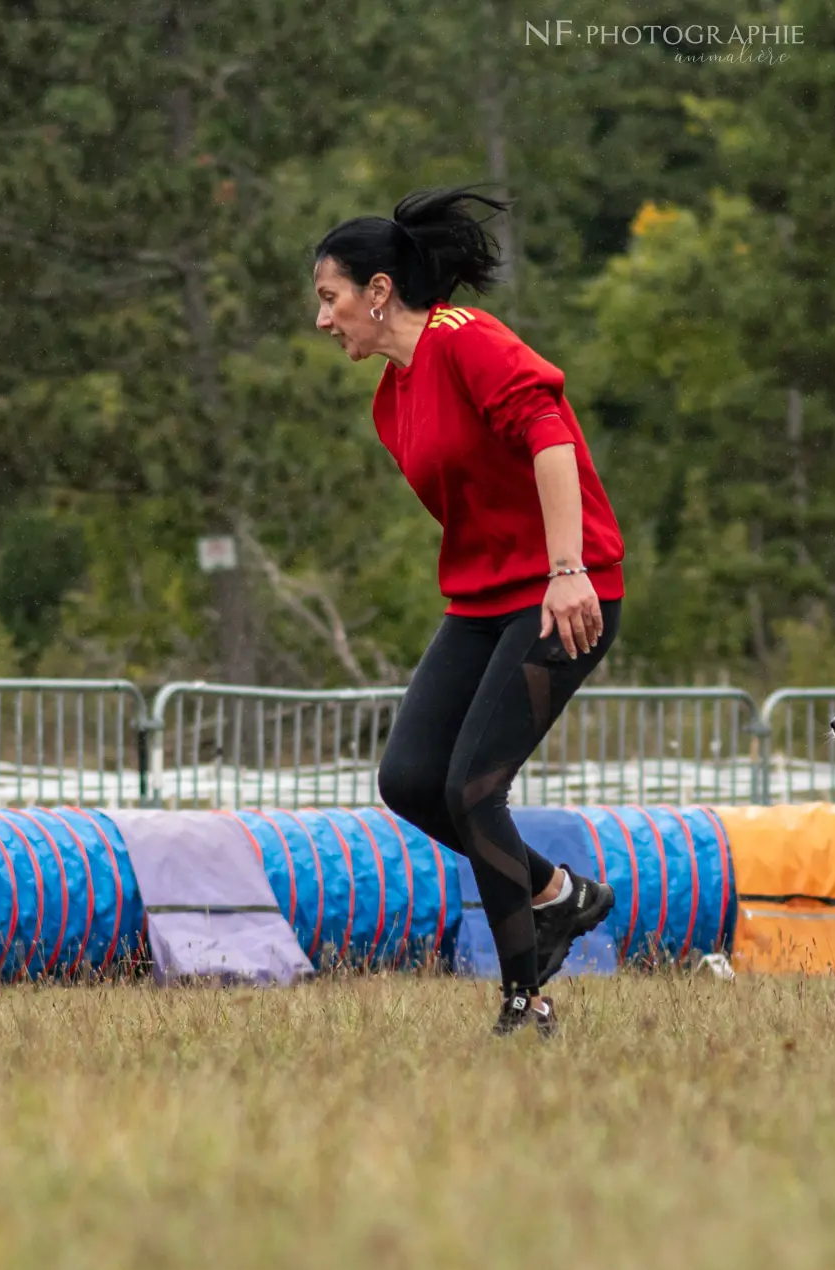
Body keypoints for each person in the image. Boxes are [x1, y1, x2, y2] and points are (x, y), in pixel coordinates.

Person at [313, 187, 623, 1037]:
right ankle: (557, 892)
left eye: (329, 297)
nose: (322, 319)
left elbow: (551, 437)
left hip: (565, 594)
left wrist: (568, 570)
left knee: (474, 787)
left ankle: (525, 1001)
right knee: (410, 781)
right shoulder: (391, 398)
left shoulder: (469, 341)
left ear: (379, 291)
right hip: (484, 600)